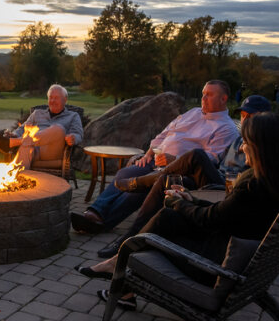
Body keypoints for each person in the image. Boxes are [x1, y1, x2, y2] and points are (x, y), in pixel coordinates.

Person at [75, 112, 279, 310]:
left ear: (263, 148)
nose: (242, 147)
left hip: (214, 268)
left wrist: (179, 203)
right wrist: (190, 200)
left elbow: (210, 220)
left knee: (164, 220)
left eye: (247, 143)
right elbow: (226, 213)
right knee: (169, 216)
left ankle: (120, 262)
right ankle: (122, 275)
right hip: (237, 257)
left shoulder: (253, 186)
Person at [72, 80, 239, 258]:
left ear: (224, 98)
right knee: (126, 173)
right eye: (203, 93)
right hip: (155, 160)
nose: (203, 98)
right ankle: (96, 211)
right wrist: (148, 154)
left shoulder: (225, 128)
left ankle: (103, 222)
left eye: (209, 95)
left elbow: (208, 161)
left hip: (179, 171)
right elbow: (165, 133)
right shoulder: (193, 113)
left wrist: (174, 159)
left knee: (138, 189)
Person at [112, 95, 271, 241]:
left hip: (226, 190)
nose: (245, 120)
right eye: (243, 116)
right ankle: (130, 236)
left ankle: (139, 183)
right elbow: (217, 163)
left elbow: (249, 183)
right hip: (213, 180)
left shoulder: (261, 147)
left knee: (196, 155)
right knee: (165, 180)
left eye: (250, 116)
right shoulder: (239, 140)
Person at [0, 84, 83, 169]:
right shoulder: (37, 113)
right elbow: (22, 128)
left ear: (65, 99)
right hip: (34, 150)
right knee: (26, 146)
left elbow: (78, 134)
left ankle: (12, 143)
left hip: (52, 152)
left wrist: (73, 138)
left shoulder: (73, 116)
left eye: (56, 98)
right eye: (50, 97)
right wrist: (14, 134)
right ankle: (19, 181)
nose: (53, 101)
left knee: (58, 129)